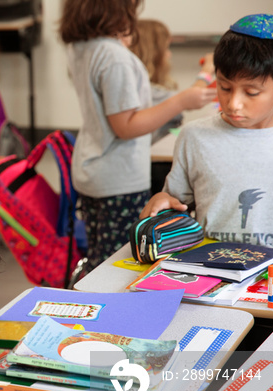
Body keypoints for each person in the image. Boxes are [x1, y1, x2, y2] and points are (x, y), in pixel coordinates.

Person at [58, 0, 216, 272]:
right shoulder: (114, 56)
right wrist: (179, 103)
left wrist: (194, 87)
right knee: (119, 266)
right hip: (118, 178)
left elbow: (137, 100)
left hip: (93, 171)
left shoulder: (81, 47)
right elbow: (126, 126)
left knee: (100, 261)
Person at [141, 14, 273, 247]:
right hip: (211, 268)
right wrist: (163, 200)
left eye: (251, 92)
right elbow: (177, 204)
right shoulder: (194, 137)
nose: (233, 103)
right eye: (224, 87)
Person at [129, 19, 216, 143]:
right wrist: (208, 69)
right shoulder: (147, 91)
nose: (169, 54)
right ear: (154, 53)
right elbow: (192, 98)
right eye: (166, 49)